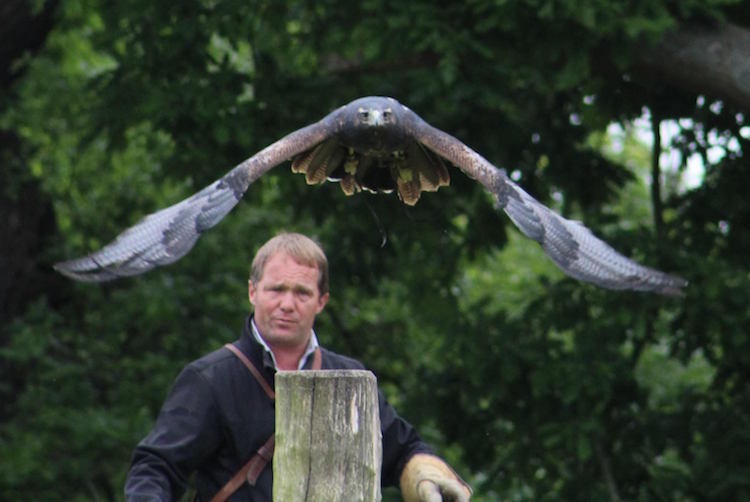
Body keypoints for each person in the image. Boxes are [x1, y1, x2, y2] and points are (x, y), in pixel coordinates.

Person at [124, 232, 471, 501]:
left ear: (322, 301)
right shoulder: (211, 379)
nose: (287, 304)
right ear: (252, 291)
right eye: (276, 289)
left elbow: (403, 451)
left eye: (302, 293)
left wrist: (426, 476)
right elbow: (156, 469)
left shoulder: (348, 380)